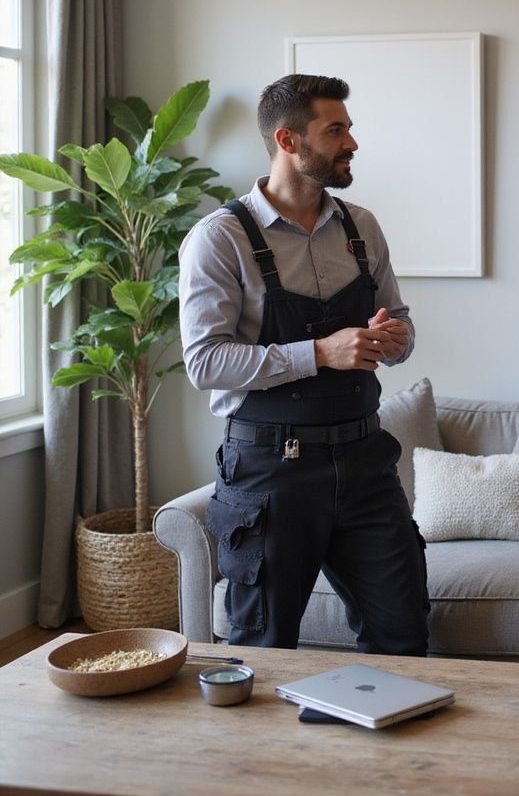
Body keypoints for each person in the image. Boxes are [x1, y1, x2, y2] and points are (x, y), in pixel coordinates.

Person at [178, 73, 429, 653]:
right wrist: (321, 352)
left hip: (367, 464)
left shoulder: (361, 227)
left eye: (349, 128)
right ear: (289, 141)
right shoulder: (220, 238)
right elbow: (205, 362)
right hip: (270, 471)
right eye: (335, 129)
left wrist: (395, 339)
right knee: (262, 649)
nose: (352, 143)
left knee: (404, 632)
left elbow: (406, 324)